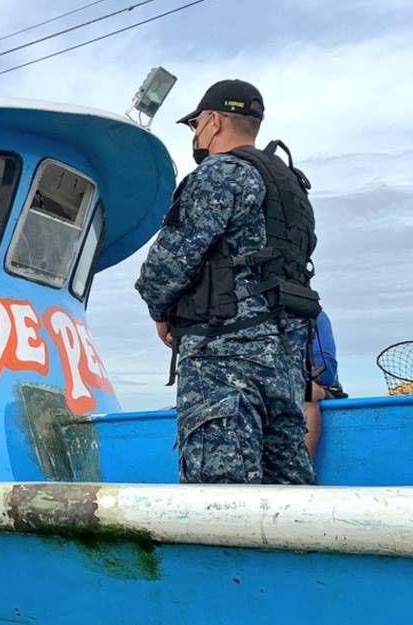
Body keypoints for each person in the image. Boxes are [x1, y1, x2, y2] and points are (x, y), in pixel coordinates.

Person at [135, 79, 320, 485]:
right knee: (287, 497)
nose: (197, 134)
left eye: (197, 124)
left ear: (214, 121)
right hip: (285, 368)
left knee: (219, 503)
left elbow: (166, 266)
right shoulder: (291, 186)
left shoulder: (220, 174)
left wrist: (161, 311)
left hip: (224, 364)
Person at [305, 310, 346, 458]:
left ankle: (301, 468)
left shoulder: (312, 313)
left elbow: (326, 371)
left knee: (307, 392)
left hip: (308, 385)